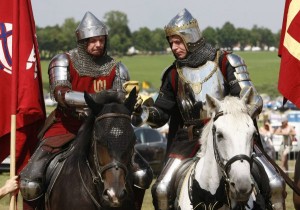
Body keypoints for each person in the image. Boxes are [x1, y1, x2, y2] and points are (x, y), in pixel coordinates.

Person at [132, 8, 285, 210]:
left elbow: (252, 98)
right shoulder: (172, 74)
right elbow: (161, 113)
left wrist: (234, 118)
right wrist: (141, 112)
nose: (174, 47)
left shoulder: (225, 61)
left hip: (230, 137)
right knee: (161, 189)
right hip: (188, 141)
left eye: (178, 41)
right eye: (171, 43)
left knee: (275, 184)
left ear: (191, 38)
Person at [19, 11, 152, 210]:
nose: (98, 44)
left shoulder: (117, 68)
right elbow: (61, 94)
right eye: (92, 40)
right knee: (30, 181)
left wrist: (132, 103)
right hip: (66, 127)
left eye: (101, 40)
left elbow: (119, 101)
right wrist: (97, 99)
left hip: (106, 131)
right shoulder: (63, 61)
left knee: (142, 174)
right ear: (82, 41)